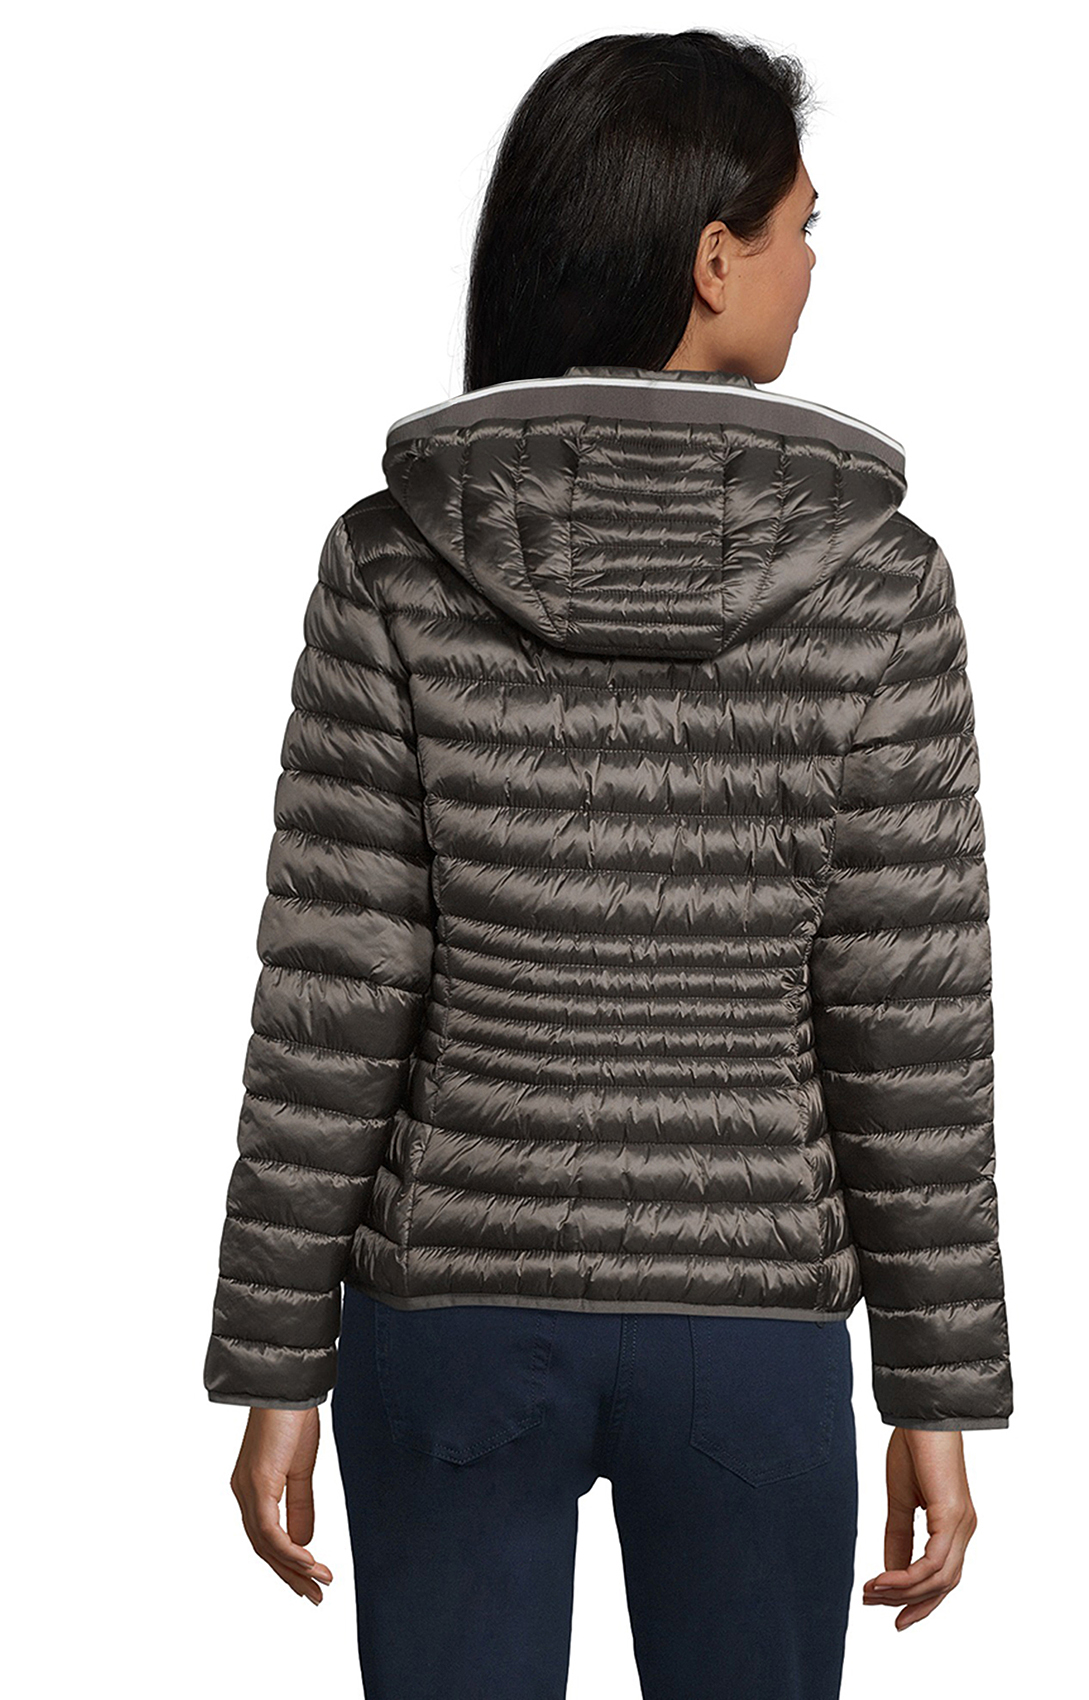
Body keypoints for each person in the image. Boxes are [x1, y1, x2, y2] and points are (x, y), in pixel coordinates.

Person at [204, 29, 1012, 1700]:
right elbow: (904, 1021)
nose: (811, 263)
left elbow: (335, 995)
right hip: (753, 1327)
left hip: (447, 1314)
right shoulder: (882, 584)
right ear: (712, 261)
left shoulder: (392, 561)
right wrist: (929, 1388)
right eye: (798, 226)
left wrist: (280, 1356)